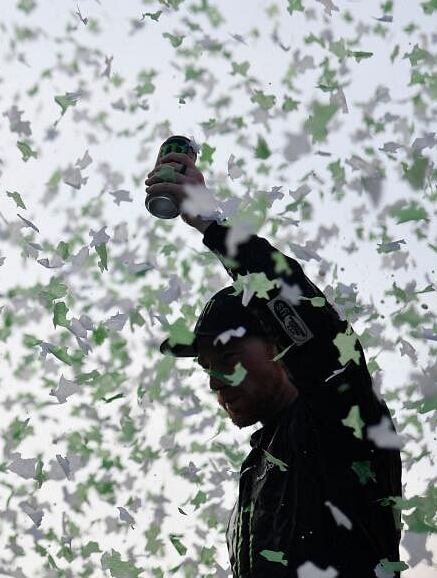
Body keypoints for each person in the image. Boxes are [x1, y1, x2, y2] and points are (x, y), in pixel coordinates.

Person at [146, 148, 404, 578]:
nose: (216, 382)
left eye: (227, 358)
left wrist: (213, 224)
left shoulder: (342, 422)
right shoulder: (258, 465)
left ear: (282, 347)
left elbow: (315, 328)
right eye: (207, 367)